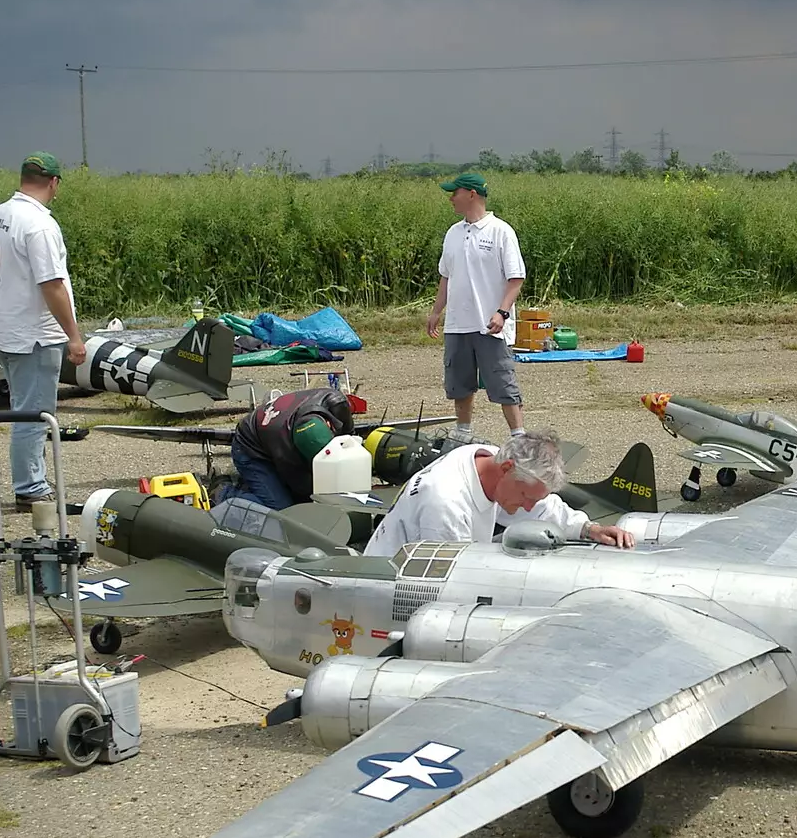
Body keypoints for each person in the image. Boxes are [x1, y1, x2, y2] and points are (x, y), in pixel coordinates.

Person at [0, 151, 87, 512]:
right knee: (35, 413)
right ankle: (30, 488)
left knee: (21, 407)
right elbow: (52, 285)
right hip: (35, 334)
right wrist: (73, 335)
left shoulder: (0, 214)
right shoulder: (40, 225)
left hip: (5, 327)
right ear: (54, 182)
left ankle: (33, 476)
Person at [363, 426, 635, 556]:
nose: (528, 507)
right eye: (525, 497)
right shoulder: (444, 502)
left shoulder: (492, 459)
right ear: (506, 469)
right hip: (392, 585)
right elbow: (451, 576)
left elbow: (542, 506)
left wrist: (589, 529)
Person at [424, 172, 527, 445]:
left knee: (502, 381)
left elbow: (515, 278)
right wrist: (437, 312)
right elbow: (446, 276)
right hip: (458, 323)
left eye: (454, 193)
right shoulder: (453, 233)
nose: (450, 198)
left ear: (471, 194)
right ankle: (463, 433)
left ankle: (518, 437)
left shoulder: (500, 231)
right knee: (459, 382)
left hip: (490, 324)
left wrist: (502, 313)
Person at [221, 387, 356, 510]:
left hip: (270, 432)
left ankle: (255, 485)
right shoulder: (286, 451)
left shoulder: (337, 403)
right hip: (249, 448)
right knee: (282, 510)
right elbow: (301, 487)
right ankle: (223, 493)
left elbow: (352, 437)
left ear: (328, 424)